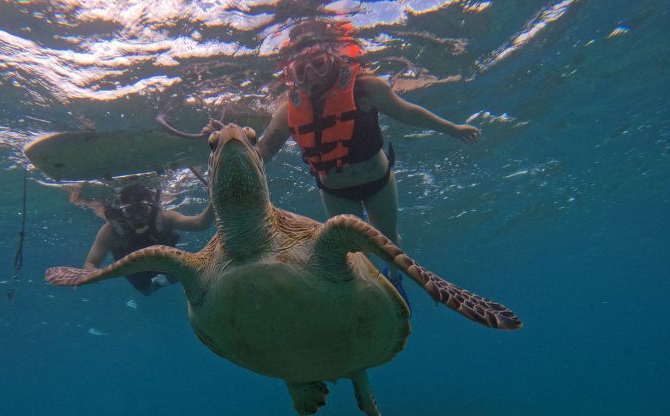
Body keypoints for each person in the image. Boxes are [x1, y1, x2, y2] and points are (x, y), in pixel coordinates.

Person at [218, 21, 481, 304]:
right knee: (349, 250)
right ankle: (358, 296)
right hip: (335, 192)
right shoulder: (287, 112)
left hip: (377, 182)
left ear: (333, 58)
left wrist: (453, 129)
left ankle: (394, 279)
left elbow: (409, 113)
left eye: (318, 64)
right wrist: (227, 146)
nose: (311, 75)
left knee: (389, 240)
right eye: (301, 70)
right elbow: (264, 151)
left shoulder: (366, 88)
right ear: (290, 73)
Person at [82, 183, 214, 295]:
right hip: (133, 268)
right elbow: (90, 263)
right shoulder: (110, 230)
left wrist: (215, 201)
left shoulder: (166, 218)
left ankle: (166, 280)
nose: (138, 217)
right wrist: (92, 273)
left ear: (152, 209)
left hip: (165, 260)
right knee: (146, 291)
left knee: (177, 277)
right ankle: (157, 284)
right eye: (131, 211)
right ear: (121, 212)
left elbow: (200, 223)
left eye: (143, 210)